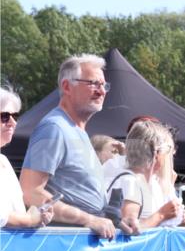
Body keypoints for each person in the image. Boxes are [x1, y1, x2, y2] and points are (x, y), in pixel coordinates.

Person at [20, 54, 125, 238]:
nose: (101, 91)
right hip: (65, 247)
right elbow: (29, 192)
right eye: (93, 83)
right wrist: (88, 219)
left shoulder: (75, 130)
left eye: (104, 85)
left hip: (81, 244)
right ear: (67, 86)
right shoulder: (54, 128)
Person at [0, 87, 53, 229]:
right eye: (4, 116)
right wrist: (29, 220)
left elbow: (14, 211)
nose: (13, 122)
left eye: (15, 116)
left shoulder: (3, 160)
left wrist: (38, 216)